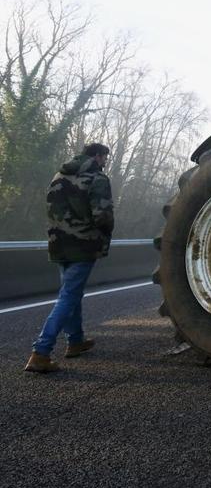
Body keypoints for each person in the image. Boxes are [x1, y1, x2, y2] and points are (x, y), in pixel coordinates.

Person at [24, 143, 114, 374]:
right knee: (68, 296)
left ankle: (75, 341)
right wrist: (103, 235)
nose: (105, 161)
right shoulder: (97, 178)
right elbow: (103, 216)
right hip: (82, 246)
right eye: (105, 157)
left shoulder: (59, 176)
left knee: (72, 292)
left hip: (58, 244)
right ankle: (41, 352)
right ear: (97, 155)